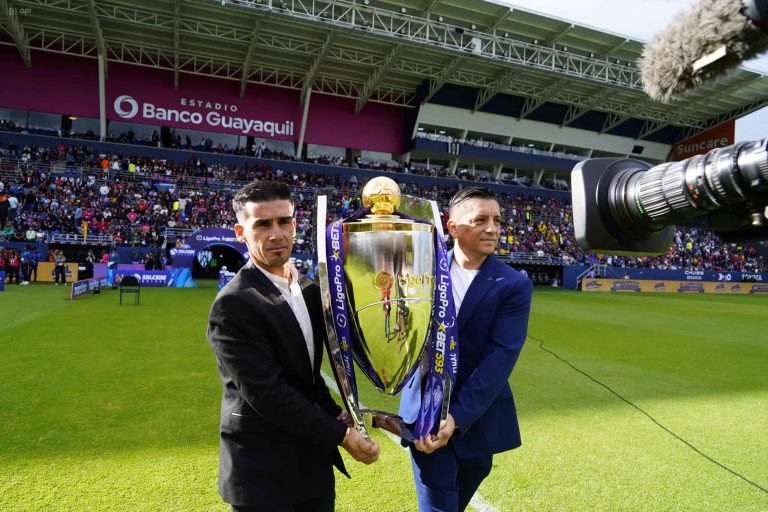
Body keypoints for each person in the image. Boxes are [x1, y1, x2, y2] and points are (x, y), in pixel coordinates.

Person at [206, 181, 380, 512]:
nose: (276, 234)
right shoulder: (235, 303)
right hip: (263, 474)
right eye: (263, 224)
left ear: (295, 225)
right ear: (241, 232)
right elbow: (267, 393)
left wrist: (340, 415)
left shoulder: (310, 289)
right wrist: (342, 436)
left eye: (284, 221)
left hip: (311, 466)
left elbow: (308, 380)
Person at [400, 187, 533, 512]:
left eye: (497, 221)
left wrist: (456, 417)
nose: (492, 228)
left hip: (477, 423)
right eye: (480, 220)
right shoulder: (420, 274)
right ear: (453, 226)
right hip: (427, 421)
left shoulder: (513, 284)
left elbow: (500, 358)